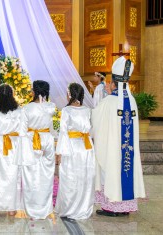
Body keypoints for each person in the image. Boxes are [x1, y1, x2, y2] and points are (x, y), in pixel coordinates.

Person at [92, 56, 146, 217]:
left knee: (111, 171)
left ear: (114, 83)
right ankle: (124, 207)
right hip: (127, 151)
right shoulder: (132, 101)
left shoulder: (109, 102)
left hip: (112, 150)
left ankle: (112, 207)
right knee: (125, 171)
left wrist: (106, 96)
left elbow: (95, 121)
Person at [0, 84, 34, 216]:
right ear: (12, 95)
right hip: (14, 146)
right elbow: (23, 131)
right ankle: (12, 208)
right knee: (13, 176)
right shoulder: (19, 111)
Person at [55, 83, 95, 220]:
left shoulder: (66, 111)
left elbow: (63, 132)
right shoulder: (87, 110)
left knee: (69, 177)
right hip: (86, 147)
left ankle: (69, 208)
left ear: (70, 94)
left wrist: (59, 153)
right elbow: (91, 130)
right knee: (84, 177)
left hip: (71, 147)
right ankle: (83, 207)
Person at [22, 80, 56, 220]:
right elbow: (52, 126)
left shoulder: (26, 108)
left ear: (34, 91)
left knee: (31, 176)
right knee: (47, 176)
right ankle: (46, 209)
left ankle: (31, 209)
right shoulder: (51, 107)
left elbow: (22, 130)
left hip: (31, 141)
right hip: (47, 140)